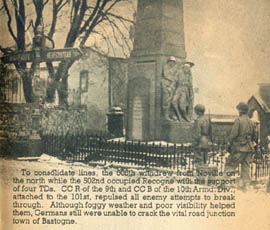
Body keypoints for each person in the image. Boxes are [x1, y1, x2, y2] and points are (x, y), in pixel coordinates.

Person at [225, 102, 257, 190]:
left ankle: (224, 183)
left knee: (231, 165)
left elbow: (233, 135)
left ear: (240, 110)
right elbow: (255, 137)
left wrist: (229, 145)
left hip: (239, 148)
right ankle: (246, 185)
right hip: (249, 148)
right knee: (246, 167)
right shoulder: (252, 122)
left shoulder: (238, 120)